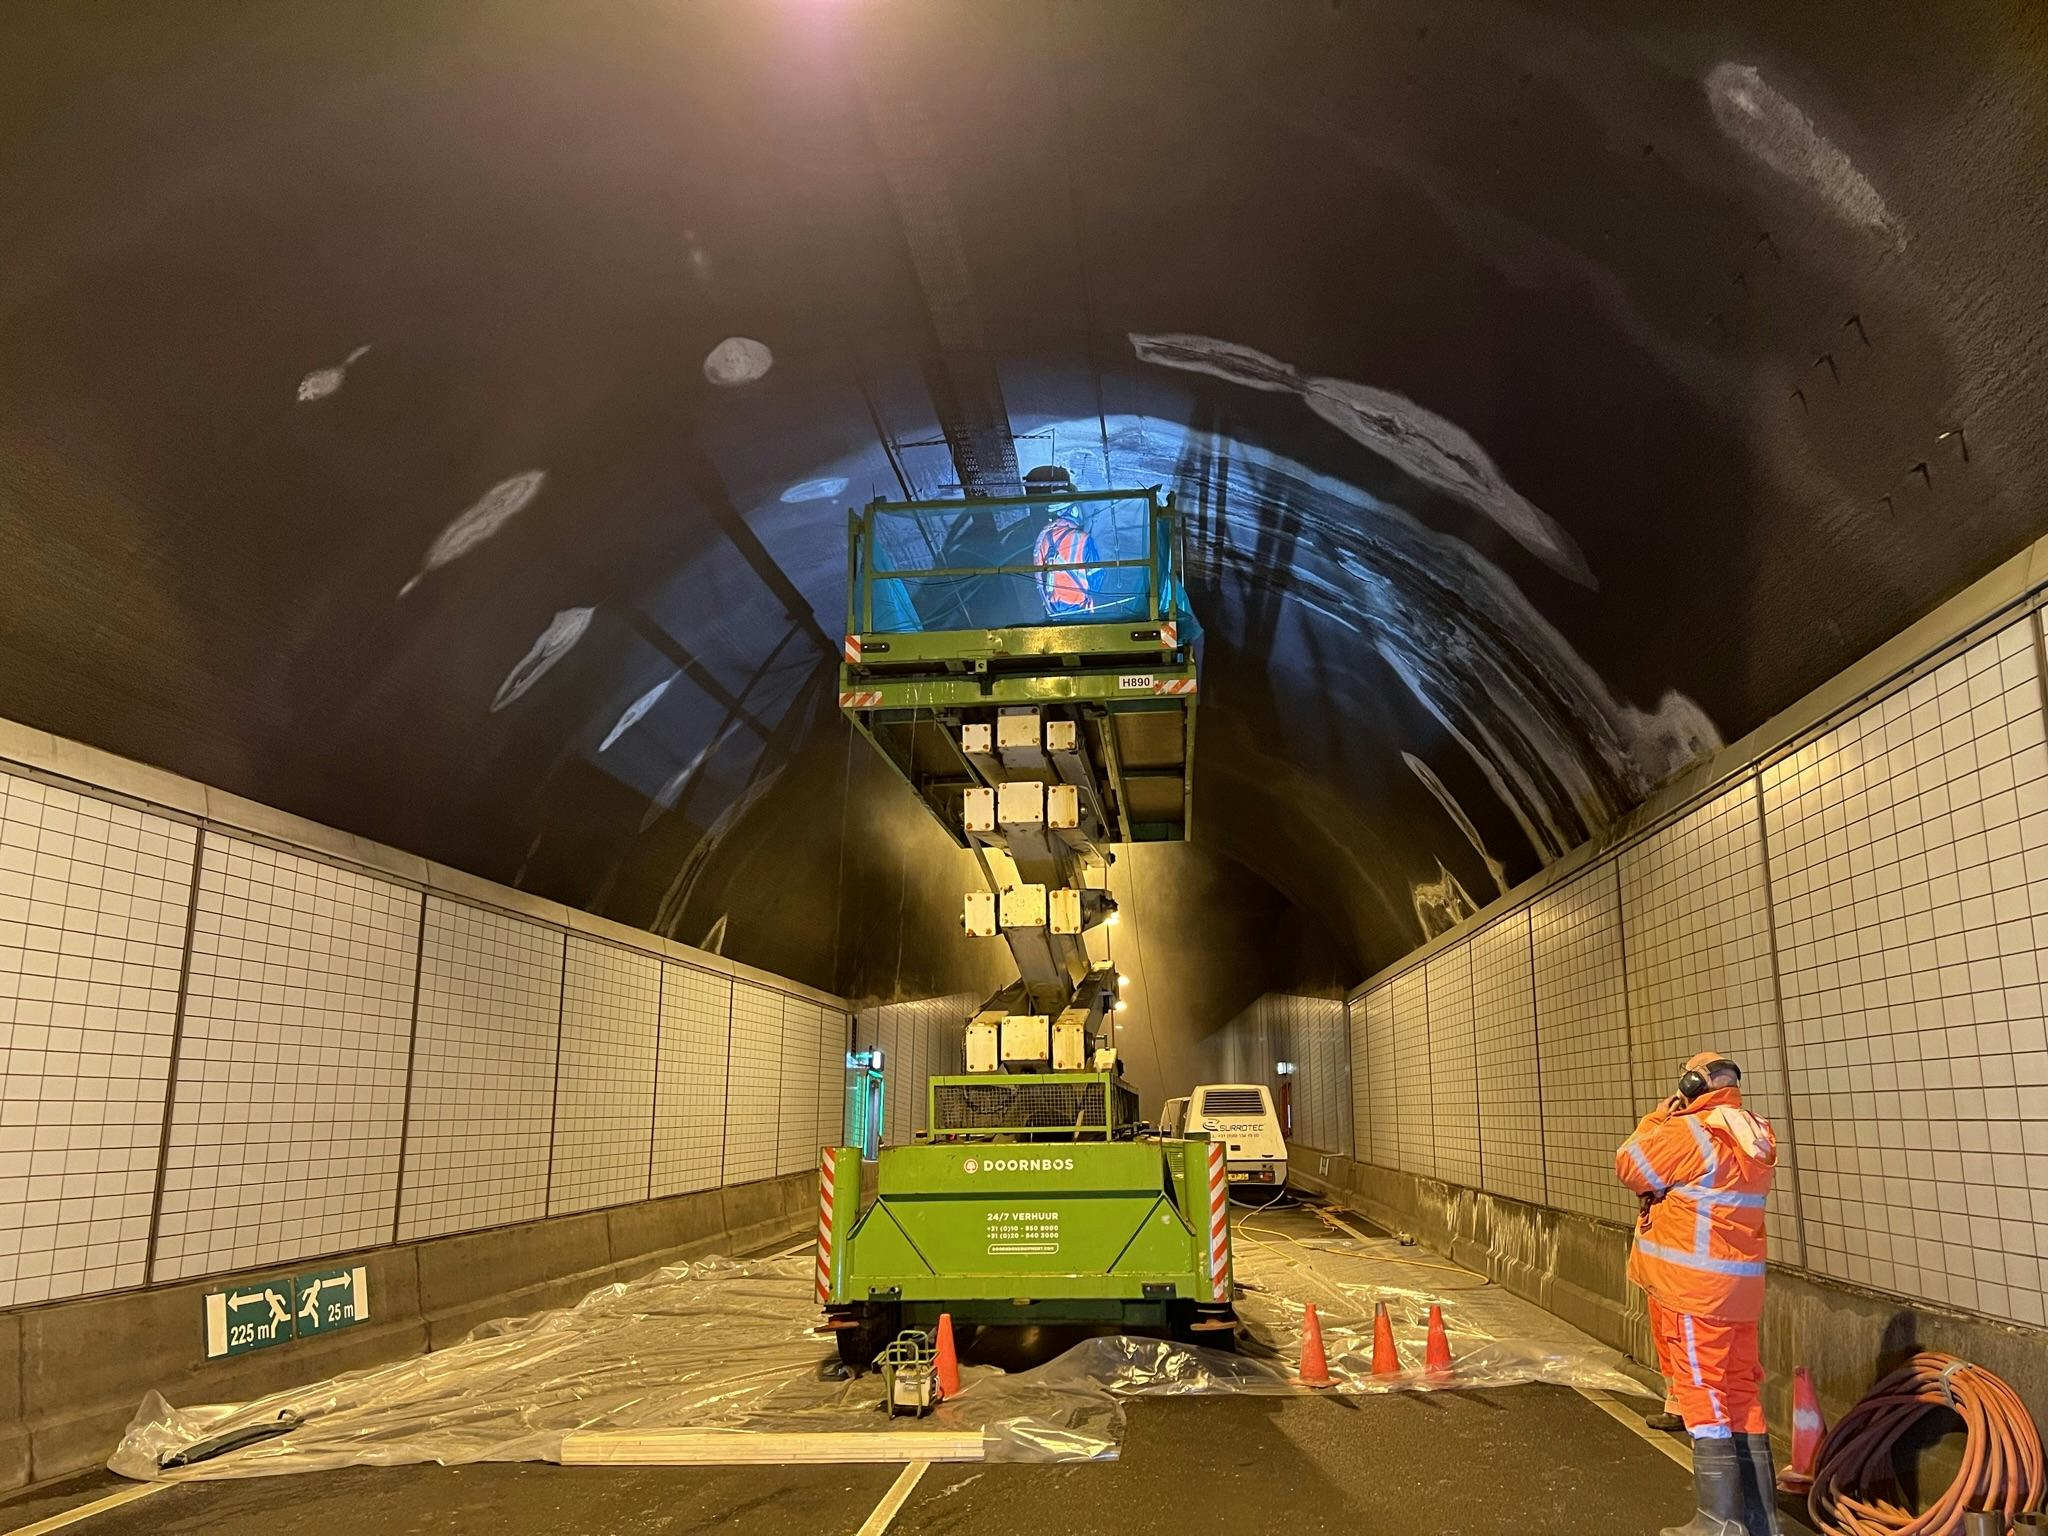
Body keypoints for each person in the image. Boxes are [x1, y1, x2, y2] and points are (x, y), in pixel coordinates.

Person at [1615, 1051, 1782, 1536]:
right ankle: (1760, 1518)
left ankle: (1718, 1521)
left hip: (1695, 1292)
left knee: (1702, 1392)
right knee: (1741, 1390)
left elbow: (1630, 1163)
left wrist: (1661, 1114)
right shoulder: (1754, 1132)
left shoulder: (1690, 1132)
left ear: (1691, 1085)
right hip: (1739, 1290)